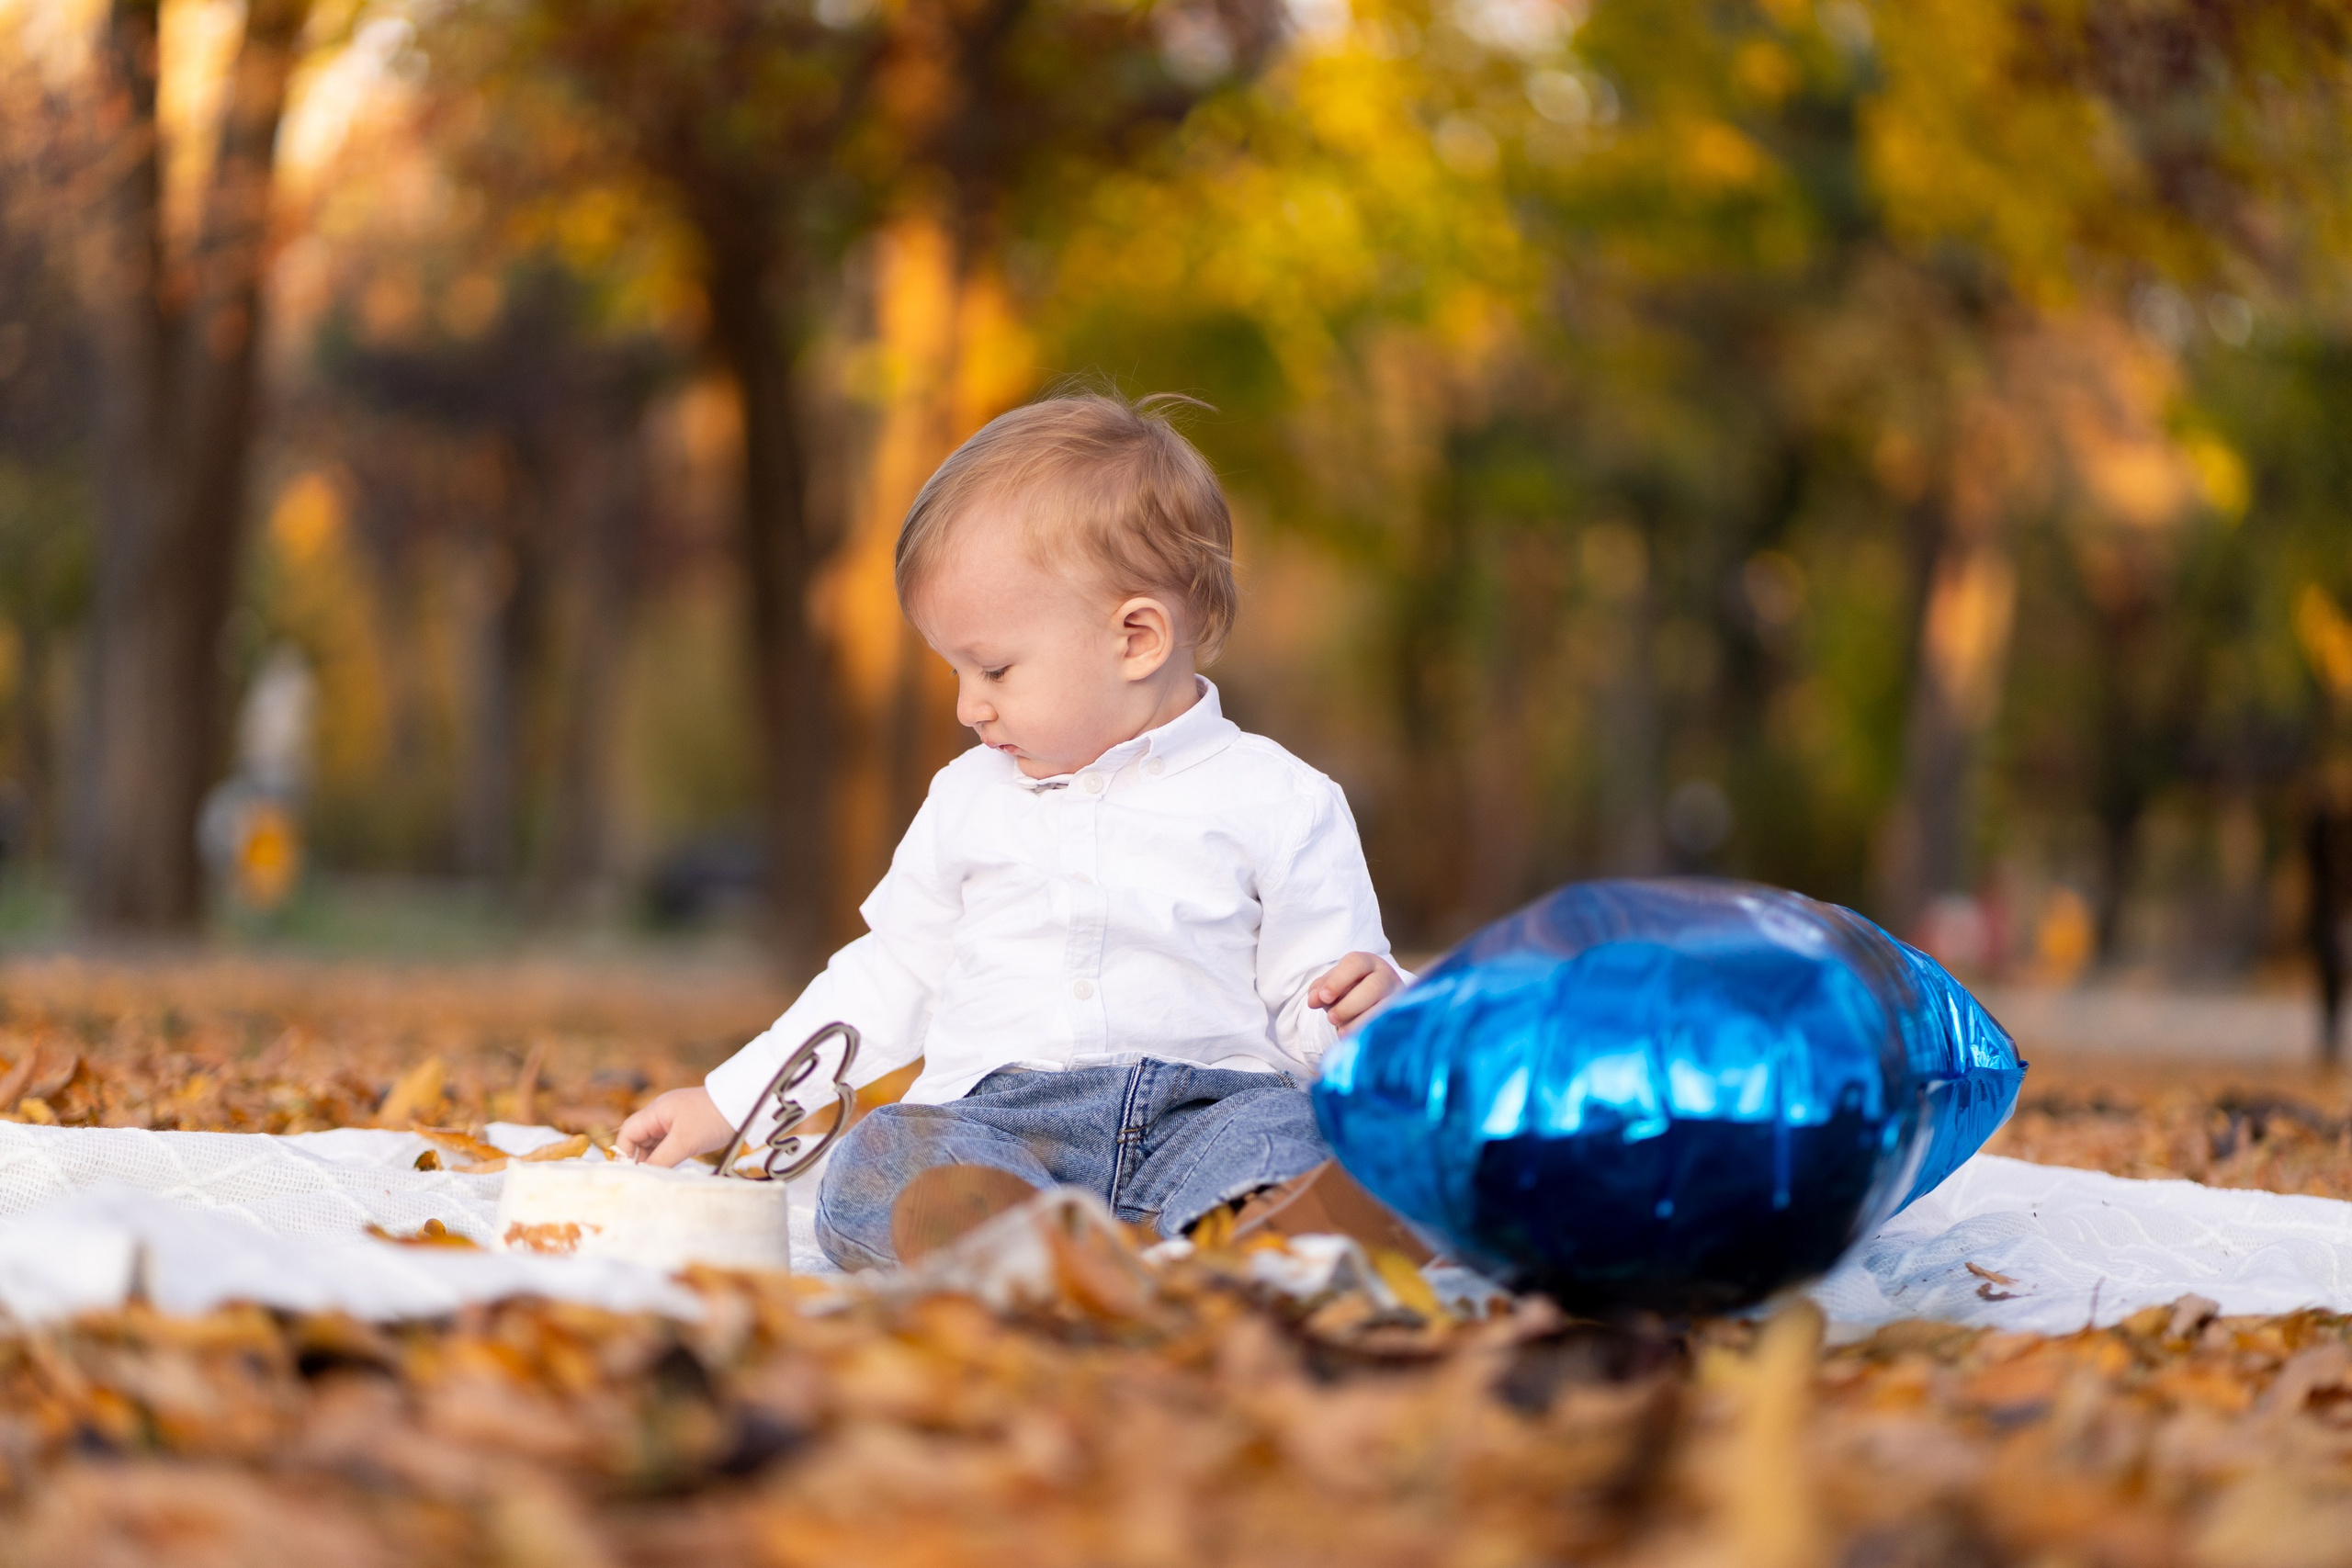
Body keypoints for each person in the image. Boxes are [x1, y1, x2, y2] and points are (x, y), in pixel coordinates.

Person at [616, 391, 1426, 1269]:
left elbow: (1319, 989)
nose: (970, 706)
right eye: (956, 670)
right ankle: (1020, 1243)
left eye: (994, 667)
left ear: (1138, 638)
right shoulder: (968, 799)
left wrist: (1366, 1011)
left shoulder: (1282, 797)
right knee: (880, 1154)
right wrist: (732, 1099)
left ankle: (1257, 1234)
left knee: (1296, 1132)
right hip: (997, 1127)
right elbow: (889, 975)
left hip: (1209, 1114)